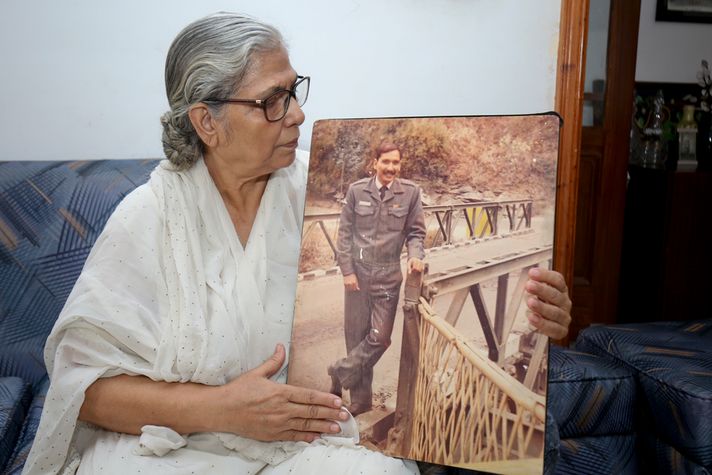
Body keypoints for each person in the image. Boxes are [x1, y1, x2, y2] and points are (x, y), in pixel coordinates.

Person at [23, 11, 572, 475]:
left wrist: (542, 311)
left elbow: (414, 248)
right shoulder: (147, 219)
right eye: (272, 101)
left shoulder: (307, 192)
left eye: (294, 91)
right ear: (206, 122)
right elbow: (85, 391)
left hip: (303, 442)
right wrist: (221, 409)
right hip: (175, 445)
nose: (299, 114)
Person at [328, 142, 426, 416]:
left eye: (396, 163)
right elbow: (345, 234)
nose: (391, 168)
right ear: (375, 163)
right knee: (356, 337)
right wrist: (347, 271)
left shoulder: (410, 193)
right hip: (357, 276)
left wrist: (416, 255)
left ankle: (339, 371)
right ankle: (360, 402)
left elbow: (416, 233)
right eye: (386, 162)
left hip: (388, 277)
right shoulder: (357, 190)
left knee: (380, 338)